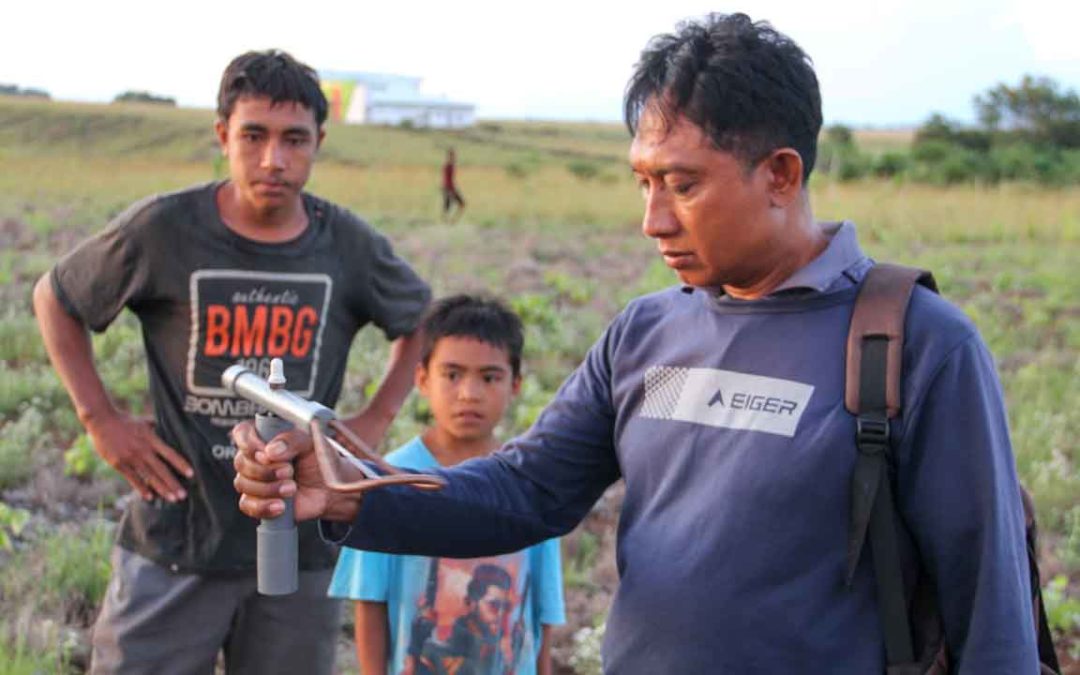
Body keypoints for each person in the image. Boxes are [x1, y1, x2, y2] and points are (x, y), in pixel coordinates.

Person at [233, 15, 1039, 674]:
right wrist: (345, 489)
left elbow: (989, 609)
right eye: (643, 181)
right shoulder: (648, 332)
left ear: (781, 174)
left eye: (683, 184)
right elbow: (528, 489)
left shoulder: (916, 343)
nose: (653, 220)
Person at [32, 49, 431, 674]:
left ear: (319, 142)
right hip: (178, 533)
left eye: (294, 140)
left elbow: (421, 318)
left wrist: (374, 420)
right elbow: (56, 298)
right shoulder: (165, 230)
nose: (274, 159)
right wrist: (98, 419)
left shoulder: (345, 243)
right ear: (223, 136)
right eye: (254, 136)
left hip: (298, 545)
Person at [327, 295, 565, 675]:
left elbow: (542, 612)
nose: (469, 394)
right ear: (422, 378)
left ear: (516, 384)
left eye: (489, 377)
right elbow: (370, 604)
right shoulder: (388, 478)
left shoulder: (530, 483)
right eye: (452, 374)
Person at [441, 148, 465, 222]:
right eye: (453, 155)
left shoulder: (450, 165)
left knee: (449, 206)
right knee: (451, 206)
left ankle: (452, 221)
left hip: (449, 188)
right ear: (449, 156)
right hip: (449, 188)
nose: (455, 157)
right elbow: (446, 180)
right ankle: (449, 221)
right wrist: (450, 190)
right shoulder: (448, 166)